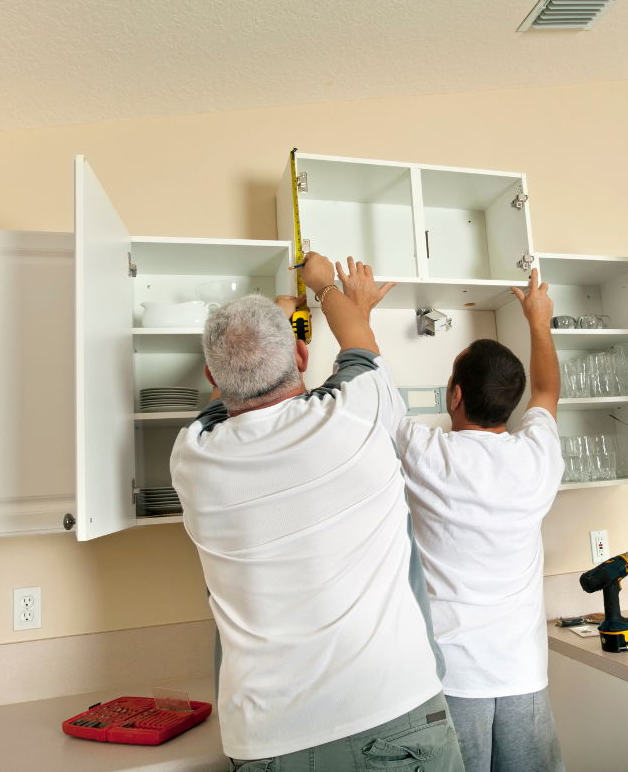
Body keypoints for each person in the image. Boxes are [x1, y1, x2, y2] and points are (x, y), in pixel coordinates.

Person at [170, 251, 466, 772]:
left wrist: (280, 318)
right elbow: (359, 346)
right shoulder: (358, 415)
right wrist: (326, 286)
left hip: (269, 738)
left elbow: (226, 401)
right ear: (303, 358)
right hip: (393, 709)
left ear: (211, 375)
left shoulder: (193, 457)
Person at [394, 267, 567, 772]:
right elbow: (548, 392)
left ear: (454, 395)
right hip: (524, 675)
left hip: (452, 678)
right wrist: (539, 321)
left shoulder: (428, 454)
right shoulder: (537, 456)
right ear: (510, 403)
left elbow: (373, 394)